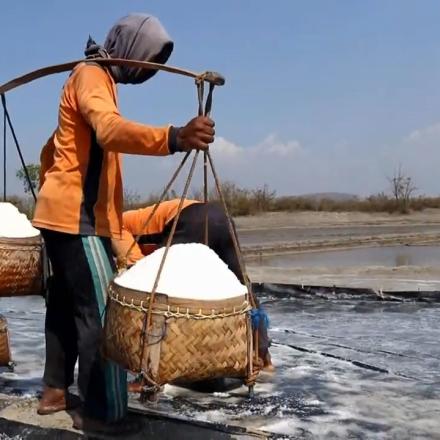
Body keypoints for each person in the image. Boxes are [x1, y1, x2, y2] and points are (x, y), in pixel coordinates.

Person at [32, 14, 215, 431]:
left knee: (64, 304)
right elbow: (109, 130)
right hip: (75, 219)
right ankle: (103, 412)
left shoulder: (92, 79)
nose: (145, 71)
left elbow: (53, 149)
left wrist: (51, 196)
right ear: (127, 49)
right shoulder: (93, 76)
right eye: (146, 62)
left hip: (60, 214)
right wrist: (175, 137)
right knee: (102, 313)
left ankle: (54, 391)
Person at [111, 198, 274, 395]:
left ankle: (148, 378)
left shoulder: (114, 225)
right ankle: (263, 357)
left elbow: (137, 267)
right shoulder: (140, 217)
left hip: (189, 220)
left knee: (155, 301)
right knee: (243, 287)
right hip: (218, 216)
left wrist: (140, 274)